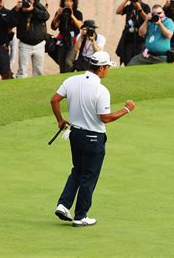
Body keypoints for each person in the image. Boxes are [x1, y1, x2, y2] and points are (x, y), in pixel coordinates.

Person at [51, 51, 135, 227]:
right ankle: (80, 216)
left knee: (77, 171)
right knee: (89, 176)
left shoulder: (71, 80)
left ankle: (63, 204)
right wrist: (126, 109)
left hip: (75, 134)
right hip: (93, 138)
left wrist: (60, 120)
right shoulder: (101, 90)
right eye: (107, 68)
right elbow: (105, 118)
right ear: (102, 68)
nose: (108, 71)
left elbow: (55, 100)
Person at [10, 0, 50, 78]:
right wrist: (16, 9)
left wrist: (33, 9)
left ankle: (37, 88)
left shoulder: (38, 7)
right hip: (24, 44)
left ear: (33, 0)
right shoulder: (19, 10)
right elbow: (11, 22)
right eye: (26, 1)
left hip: (39, 44)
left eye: (30, 0)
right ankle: (21, 88)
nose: (28, 3)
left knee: (38, 71)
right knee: (22, 71)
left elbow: (46, 16)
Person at [115, 0, 150, 66]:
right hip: (128, 37)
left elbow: (147, 19)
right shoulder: (129, 7)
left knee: (138, 58)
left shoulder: (145, 6)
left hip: (139, 37)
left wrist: (140, 9)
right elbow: (118, 11)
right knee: (127, 58)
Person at [50, 0, 83, 73]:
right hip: (62, 39)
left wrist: (72, 15)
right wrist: (58, 15)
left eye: (71, 1)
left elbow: (80, 26)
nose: (68, 3)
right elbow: (53, 27)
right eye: (66, 1)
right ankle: (63, 78)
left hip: (74, 40)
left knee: (68, 61)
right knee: (61, 61)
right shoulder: (61, 12)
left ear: (74, 2)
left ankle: (72, 73)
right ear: (63, 2)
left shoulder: (77, 13)